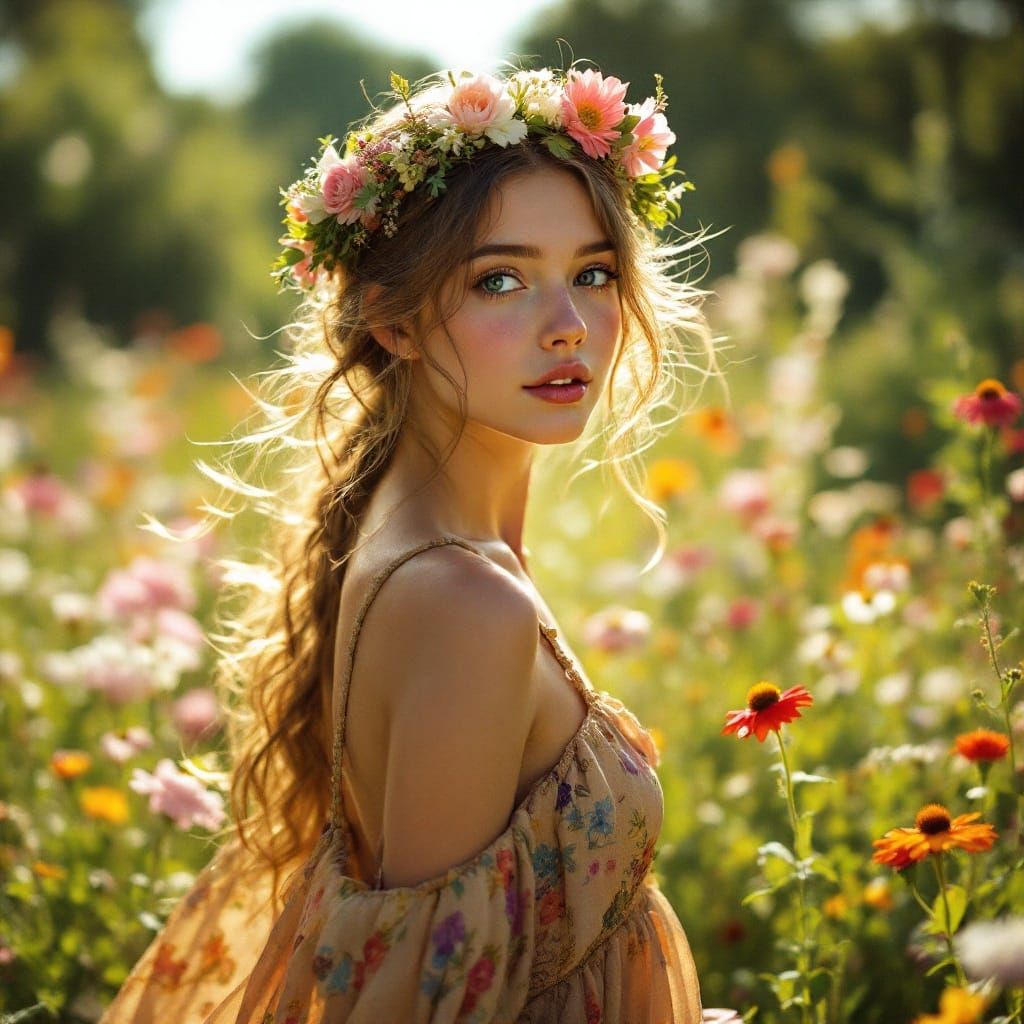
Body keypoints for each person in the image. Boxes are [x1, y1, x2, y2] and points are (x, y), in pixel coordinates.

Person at [99, 61, 724, 1022]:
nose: (569, 327)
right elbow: (427, 998)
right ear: (393, 323)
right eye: (500, 280)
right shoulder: (465, 603)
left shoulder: (434, 531)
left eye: (593, 274)